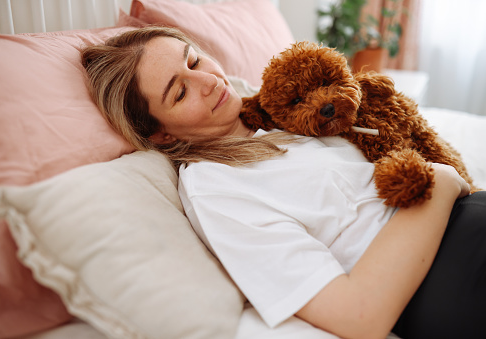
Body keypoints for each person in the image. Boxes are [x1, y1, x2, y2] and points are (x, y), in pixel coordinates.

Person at [81, 26, 486, 339]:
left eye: (193, 61)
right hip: (446, 270)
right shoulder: (215, 188)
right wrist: (443, 179)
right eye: (180, 92)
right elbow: (358, 316)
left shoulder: (280, 113)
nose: (208, 81)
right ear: (161, 134)